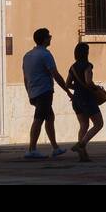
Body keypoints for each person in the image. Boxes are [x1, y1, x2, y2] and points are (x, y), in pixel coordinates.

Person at [23, 27, 71, 159]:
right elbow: (55, 74)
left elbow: (25, 77)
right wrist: (67, 90)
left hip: (34, 91)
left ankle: (55, 148)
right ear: (44, 39)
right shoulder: (45, 55)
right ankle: (32, 149)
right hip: (44, 91)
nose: (51, 38)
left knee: (50, 117)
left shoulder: (27, 56)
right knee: (38, 119)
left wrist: (29, 93)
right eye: (49, 36)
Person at [65, 42, 103, 162]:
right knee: (98, 124)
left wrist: (78, 89)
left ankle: (83, 156)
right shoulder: (88, 65)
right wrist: (96, 88)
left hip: (76, 100)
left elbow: (67, 84)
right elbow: (88, 81)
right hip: (87, 99)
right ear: (86, 53)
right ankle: (81, 144)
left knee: (83, 125)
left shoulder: (72, 67)